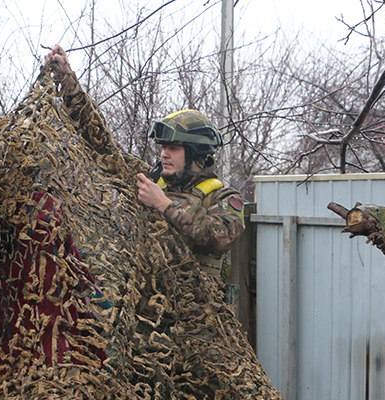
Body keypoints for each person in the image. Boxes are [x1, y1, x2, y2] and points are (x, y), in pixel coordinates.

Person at [45, 46, 245, 280]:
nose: (164, 155)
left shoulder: (222, 196)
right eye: (163, 148)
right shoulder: (151, 180)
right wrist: (67, 79)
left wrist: (164, 205)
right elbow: (101, 143)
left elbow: (221, 238)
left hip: (196, 311)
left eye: (173, 148)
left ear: (196, 154)